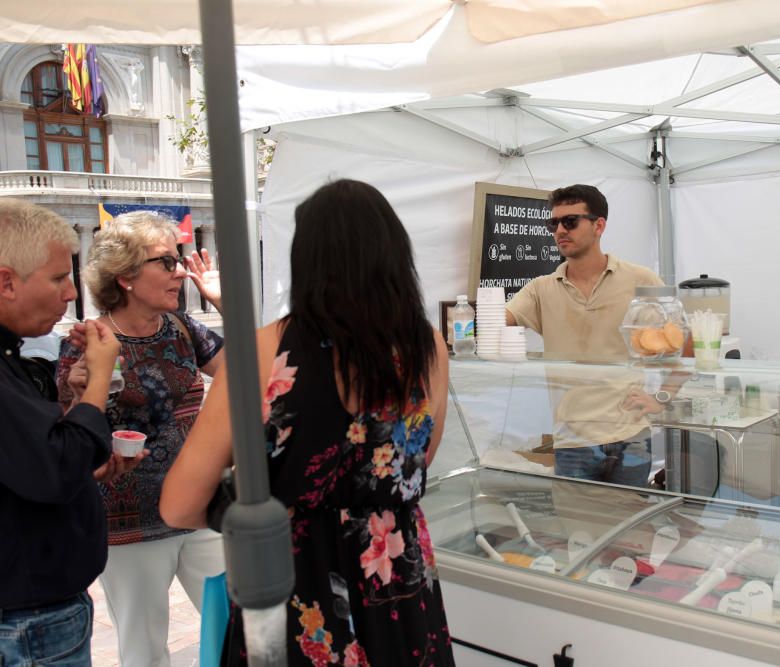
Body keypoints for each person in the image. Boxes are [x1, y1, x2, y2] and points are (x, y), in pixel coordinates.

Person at [160, 179, 455, 666]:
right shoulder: (429, 348)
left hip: (294, 585)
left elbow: (179, 505)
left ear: (308, 260)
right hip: (398, 581)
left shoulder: (261, 351)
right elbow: (417, 462)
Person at [56, 211, 226, 667]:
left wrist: (225, 302)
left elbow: (254, 372)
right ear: (127, 276)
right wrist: (76, 391)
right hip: (127, 522)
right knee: (144, 648)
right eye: (166, 262)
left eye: (179, 259)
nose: (180, 272)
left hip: (200, 506)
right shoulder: (88, 339)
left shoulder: (184, 328)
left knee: (238, 627)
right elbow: (63, 434)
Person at [0, 199, 132, 665]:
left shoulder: (14, 359)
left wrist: (79, 403)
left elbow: (28, 462)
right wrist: (100, 377)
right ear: (6, 281)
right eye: (58, 278)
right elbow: (55, 467)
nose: (71, 294)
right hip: (29, 620)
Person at [505, 184, 664, 486]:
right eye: (553, 223)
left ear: (599, 225)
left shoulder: (641, 280)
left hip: (631, 436)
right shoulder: (541, 288)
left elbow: (682, 345)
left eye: (570, 221)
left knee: (629, 528)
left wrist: (661, 397)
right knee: (577, 531)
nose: (559, 231)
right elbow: (495, 322)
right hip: (572, 440)